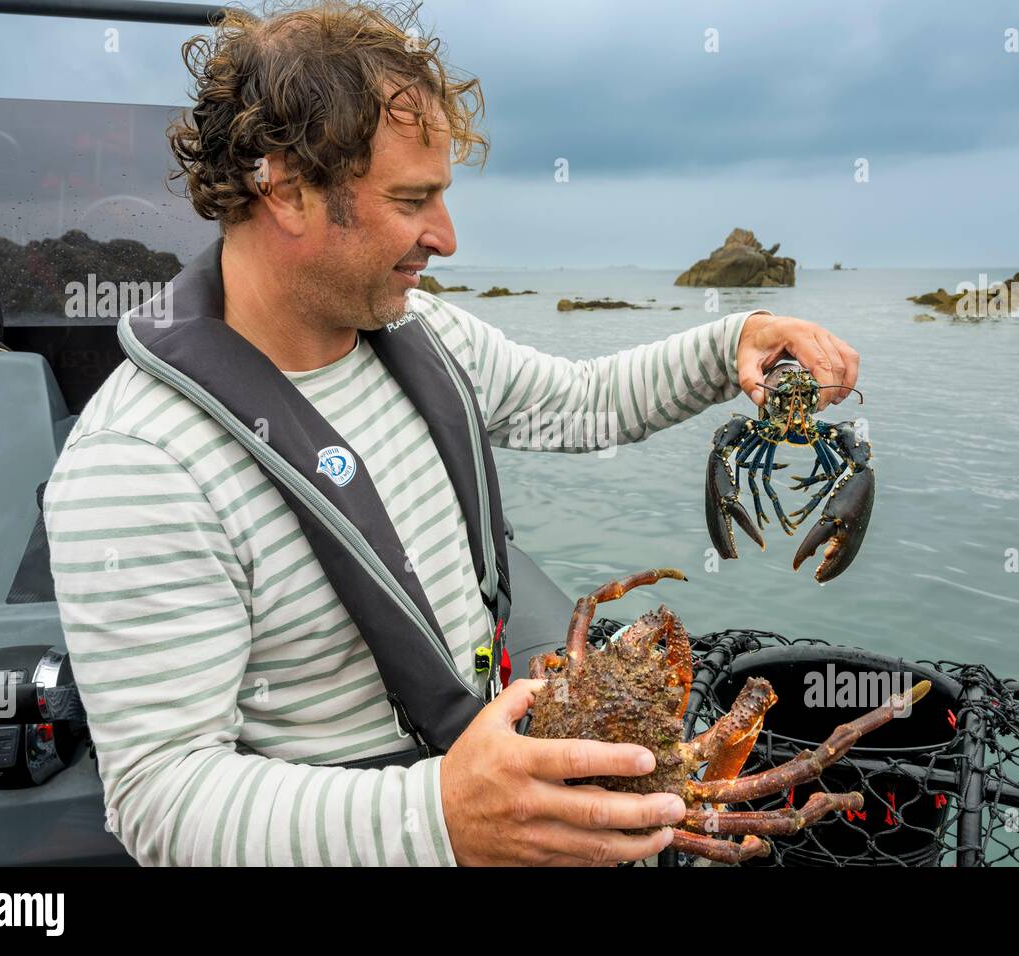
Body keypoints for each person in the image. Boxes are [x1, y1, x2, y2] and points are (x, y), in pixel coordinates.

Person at [43, 0, 859, 867]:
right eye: (411, 199)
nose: (447, 236)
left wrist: (731, 342)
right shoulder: (137, 463)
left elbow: (583, 401)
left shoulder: (421, 336)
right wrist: (439, 815)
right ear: (283, 188)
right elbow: (165, 800)